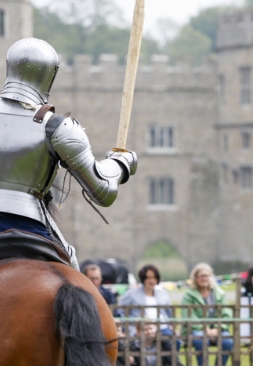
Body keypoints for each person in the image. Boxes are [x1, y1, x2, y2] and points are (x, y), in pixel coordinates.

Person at [0, 38, 137, 267]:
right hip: (29, 218)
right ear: (49, 75)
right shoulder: (56, 126)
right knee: (71, 267)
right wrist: (121, 163)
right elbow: (102, 192)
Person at [182, 263, 234, 366]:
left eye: (207, 275)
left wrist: (217, 329)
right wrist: (204, 329)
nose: (204, 278)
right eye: (201, 276)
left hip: (217, 329)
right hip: (196, 330)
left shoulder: (219, 293)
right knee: (201, 341)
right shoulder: (189, 295)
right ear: (195, 278)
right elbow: (188, 316)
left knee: (227, 342)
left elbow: (226, 314)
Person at [118, 264, 174, 338]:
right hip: (141, 329)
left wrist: (171, 325)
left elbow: (169, 312)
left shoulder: (162, 293)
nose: (151, 280)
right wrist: (127, 327)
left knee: (175, 342)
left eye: (154, 277)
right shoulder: (131, 294)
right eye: (148, 277)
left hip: (162, 328)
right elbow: (120, 310)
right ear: (143, 279)